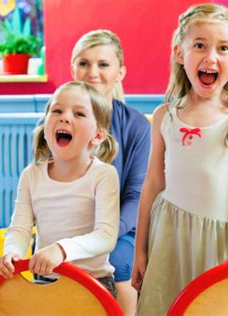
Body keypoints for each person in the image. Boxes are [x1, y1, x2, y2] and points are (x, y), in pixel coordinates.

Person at [132, 4, 228, 315]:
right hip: (166, 236)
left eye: (223, 48)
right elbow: (153, 184)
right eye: (199, 45)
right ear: (180, 53)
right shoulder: (163, 116)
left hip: (217, 243)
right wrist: (140, 251)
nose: (211, 56)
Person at [0, 81, 120, 297]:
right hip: (45, 281)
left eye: (79, 114)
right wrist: (12, 253)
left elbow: (106, 236)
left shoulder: (103, 175)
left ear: (97, 135)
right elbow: (20, 229)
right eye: (57, 110)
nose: (65, 117)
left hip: (93, 285)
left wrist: (61, 250)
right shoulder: (31, 175)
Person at [69, 30, 151, 314]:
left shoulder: (136, 126)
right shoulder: (55, 121)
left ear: (120, 72)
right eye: (84, 63)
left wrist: (104, 235)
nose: (93, 72)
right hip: (67, 225)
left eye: (103, 64)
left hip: (121, 230)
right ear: (73, 69)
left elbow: (136, 195)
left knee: (117, 259)